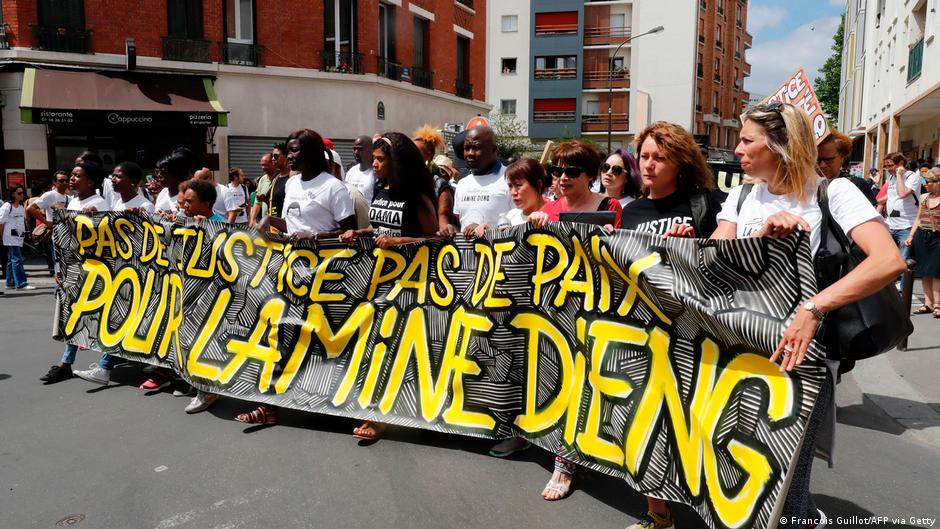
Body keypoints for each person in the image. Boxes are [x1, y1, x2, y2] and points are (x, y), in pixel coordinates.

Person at [710, 102, 904, 529]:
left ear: (780, 145)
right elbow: (714, 265)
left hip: (802, 357)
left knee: (786, 476)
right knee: (736, 461)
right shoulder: (740, 196)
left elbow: (888, 260)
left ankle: (800, 516)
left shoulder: (833, 192)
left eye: (746, 140)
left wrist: (814, 308)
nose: (737, 149)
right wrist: (758, 240)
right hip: (737, 351)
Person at [527, 140, 623, 502]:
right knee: (562, 383)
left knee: (590, 383)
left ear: (590, 175)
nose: (562, 177)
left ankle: (583, 454)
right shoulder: (548, 208)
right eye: (556, 170)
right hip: (555, 308)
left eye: (571, 172)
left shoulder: (609, 206)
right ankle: (564, 461)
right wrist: (533, 224)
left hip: (598, 309)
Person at [339, 132, 439, 440]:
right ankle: (373, 406)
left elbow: (435, 240)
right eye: (375, 158)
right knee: (373, 347)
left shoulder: (417, 197)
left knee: (394, 351)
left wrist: (399, 242)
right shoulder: (382, 190)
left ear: (397, 162)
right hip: (379, 284)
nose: (374, 163)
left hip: (411, 287)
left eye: (381, 159)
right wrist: (361, 232)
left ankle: (383, 415)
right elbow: (380, 226)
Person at [42, 162, 110, 384]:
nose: (71, 179)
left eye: (77, 176)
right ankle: (66, 363)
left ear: (90, 182)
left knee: (102, 318)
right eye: (71, 175)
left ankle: (104, 365)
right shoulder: (74, 201)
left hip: (93, 271)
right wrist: (60, 266)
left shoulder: (98, 203)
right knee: (75, 315)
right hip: (73, 269)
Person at [620, 122, 723, 241]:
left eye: (659, 158)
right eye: (644, 156)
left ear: (680, 163)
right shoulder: (630, 211)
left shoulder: (705, 204)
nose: (648, 165)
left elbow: (720, 254)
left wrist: (690, 245)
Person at [450, 126, 513, 237]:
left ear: (494, 150)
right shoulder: (462, 184)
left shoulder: (511, 179)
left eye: (476, 148)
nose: (470, 153)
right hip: (466, 253)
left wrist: (485, 231)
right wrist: (449, 228)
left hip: (499, 252)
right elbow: (459, 224)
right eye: (467, 148)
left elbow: (520, 222)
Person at [905, 168, 940, 316]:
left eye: (930, 182)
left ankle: (938, 304)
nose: (927, 185)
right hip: (923, 236)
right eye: (926, 182)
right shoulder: (924, 197)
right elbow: (918, 218)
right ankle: (928, 304)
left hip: (938, 237)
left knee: (937, 272)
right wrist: (911, 236)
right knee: (925, 271)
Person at [413, 126, 459, 234]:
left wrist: (444, 229)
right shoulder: (400, 182)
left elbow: (443, 225)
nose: (408, 155)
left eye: (415, 152)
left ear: (428, 156)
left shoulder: (440, 187)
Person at [816, 128, 877, 205]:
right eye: (817, 160)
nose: (822, 165)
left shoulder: (856, 184)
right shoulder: (805, 186)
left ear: (842, 158)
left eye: (829, 160)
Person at [27, 170, 70, 276]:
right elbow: (30, 208)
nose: (64, 183)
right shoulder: (50, 195)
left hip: (68, 235)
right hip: (56, 236)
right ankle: (58, 290)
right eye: (61, 181)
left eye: (66, 180)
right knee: (59, 264)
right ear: (54, 182)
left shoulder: (69, 197)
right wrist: (46, 222)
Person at [0, 185, 33, 290]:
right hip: (10, 236)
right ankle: (21, 283)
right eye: (19, 193)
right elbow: (1, 222)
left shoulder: (21, 206)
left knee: (11, 259)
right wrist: (0, 235)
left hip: (19, 235)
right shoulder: (7, 206)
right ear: (13, 194)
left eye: (22, 192)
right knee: (17, 259)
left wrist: (27, 232)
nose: (22, 195)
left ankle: (10, 282)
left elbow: (22, 222)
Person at [345, 135, 376, 204]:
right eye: (354, 149)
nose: (356, 152)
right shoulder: (351, 172)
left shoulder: (376, 173)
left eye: (360, 149)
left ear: (371, 150)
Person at [250, 153, 276, 227]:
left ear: (273, 163)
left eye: (265, 165)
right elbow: (257, 202)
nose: (263, 167)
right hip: (265, 223)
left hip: (278, 223)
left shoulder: (280, 178)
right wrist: (253, 220)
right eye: (262, 165)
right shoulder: (262, 179)